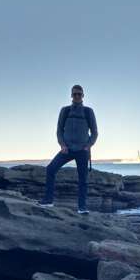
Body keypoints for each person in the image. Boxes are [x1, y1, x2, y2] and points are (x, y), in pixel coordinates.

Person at [38, 84, 98, 214]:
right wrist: (62, 145)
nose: (77, 96)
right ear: (71, 95)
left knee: (83, 179)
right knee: (50, 169)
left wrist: (88, 146)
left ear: (83, 96)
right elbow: (59, 130)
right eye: (75, 94)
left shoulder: (88, 111)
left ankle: (82, 208)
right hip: (67, 149)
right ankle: (48, 201)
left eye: (79, 94)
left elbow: (94, 132)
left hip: (82, 150)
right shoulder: (65, 110)